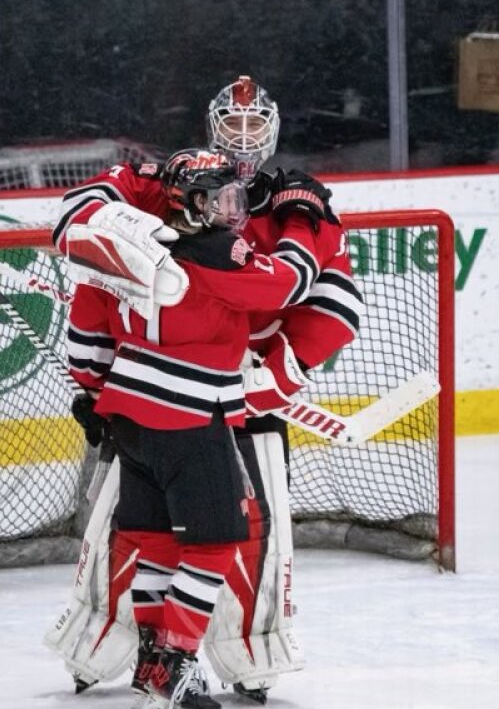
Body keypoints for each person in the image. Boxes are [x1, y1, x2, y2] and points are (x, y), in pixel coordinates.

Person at [46, 76, 362, 705]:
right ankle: (108, 646)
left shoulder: (249, 203)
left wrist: (276, 377)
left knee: (251, 537)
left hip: (195, 401)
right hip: (193, 406)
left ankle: (246, 655)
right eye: (232, 126)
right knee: (141, 534)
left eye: (254, 127)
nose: (243, 140)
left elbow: (336, 305)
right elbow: (281, 284)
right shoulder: (172, 198)